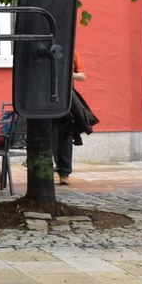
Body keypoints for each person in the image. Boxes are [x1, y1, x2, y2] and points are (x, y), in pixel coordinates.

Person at [53, 52, 90, 185]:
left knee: (66, 135)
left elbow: (82, 76)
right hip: (43, 101)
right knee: (50, 137)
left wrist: (69, 74)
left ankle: (64, 173)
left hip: (65, 101)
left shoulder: (70, 52)